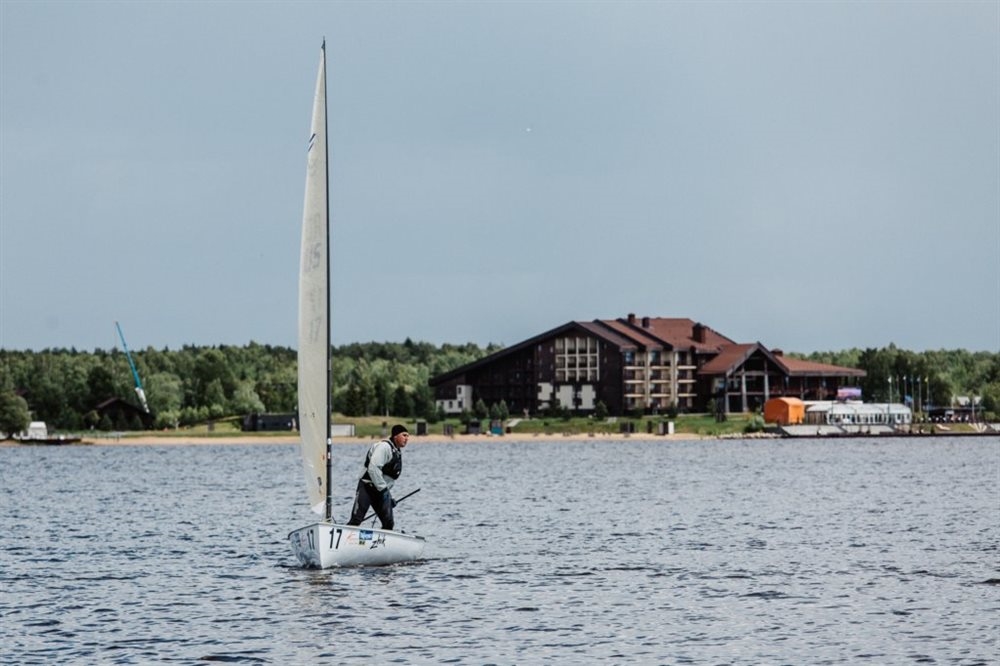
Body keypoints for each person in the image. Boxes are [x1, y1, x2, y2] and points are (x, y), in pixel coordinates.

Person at [347, 424, 410, 530]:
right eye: (404, 435)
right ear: (395, 436)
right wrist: (384, 490)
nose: (407, 438)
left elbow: (387, 478)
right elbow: (373, 468)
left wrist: (389, 498)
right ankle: (344, 537)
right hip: (367, 487)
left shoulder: (397, 452)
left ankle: (382, 540)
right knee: (356, 520)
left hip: (381, 491)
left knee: (388, 524)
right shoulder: (384, 447)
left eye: (408, 436)